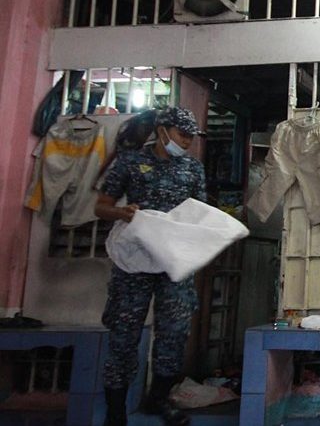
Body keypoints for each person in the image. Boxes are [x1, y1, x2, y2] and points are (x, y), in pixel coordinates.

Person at [95, 107, 207, 426]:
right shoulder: (130, 162)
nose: (187, 141)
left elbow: (199, 212)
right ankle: (115, 411)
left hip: (173, 260)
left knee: (174, 330)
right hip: (135, 260)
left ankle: (159, 398)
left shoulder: (193, 169)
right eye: (182, 134)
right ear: (163, 131)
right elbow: (101, 206)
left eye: (191, 136)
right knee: (124, 334)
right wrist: (123, 213)